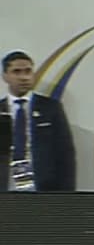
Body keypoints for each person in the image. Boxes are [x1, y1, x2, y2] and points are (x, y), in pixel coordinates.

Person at [1, 50, 76, 192]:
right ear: (5, 76)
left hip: (42, 189)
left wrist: (66, 196)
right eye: (17, 72)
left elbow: (65, 154)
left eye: (28, 71)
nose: (24, 77)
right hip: (6, 188)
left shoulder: (50, 108)